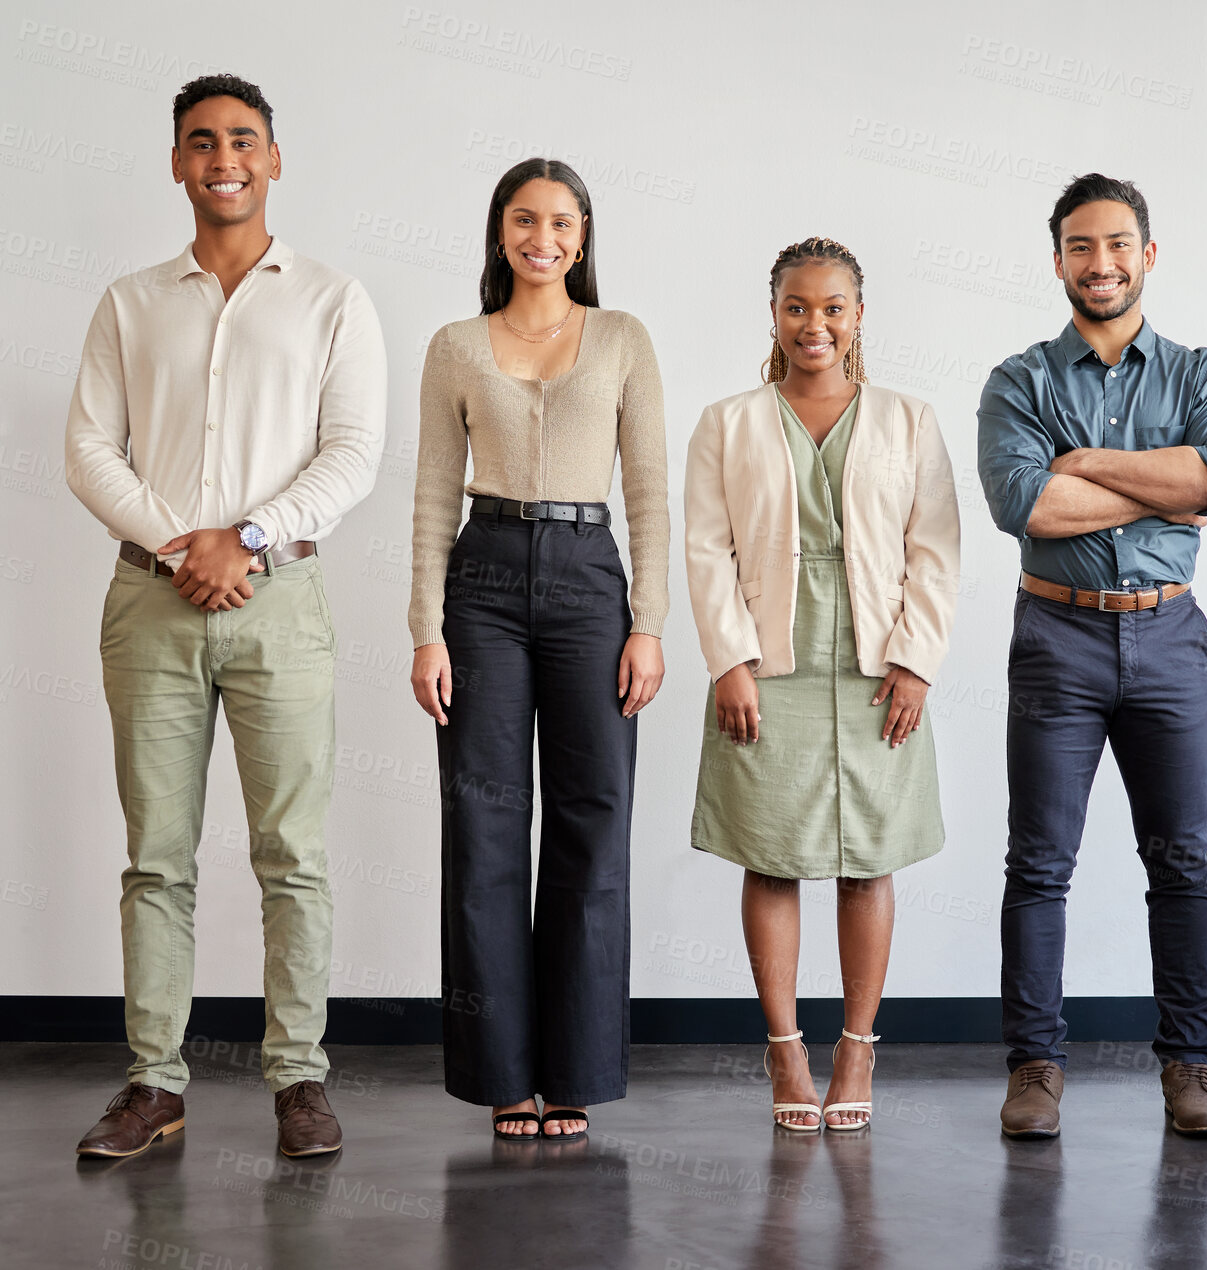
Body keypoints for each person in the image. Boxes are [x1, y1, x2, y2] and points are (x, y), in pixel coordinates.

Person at [65, 75, 387, 1159]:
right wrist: (179, 543)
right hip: (149, 605)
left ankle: (298, 1078)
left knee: (290, 853)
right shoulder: (129, 301)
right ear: (176, 163)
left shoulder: (332, 299)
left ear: (274, 158)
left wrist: (243, 536)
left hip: (280, 601)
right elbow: (89, 449)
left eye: (242, 141)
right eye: (200, 143)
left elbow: (352, 452)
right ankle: (153, 1083)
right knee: (156, 857)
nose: (223, 159)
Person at [976, 173, 1207, 1140]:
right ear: (1059, 260)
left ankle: (1190, 1069)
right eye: (1082, 247)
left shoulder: (1202, 372)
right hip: (1057, 634)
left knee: (1182, 861)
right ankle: (1035, 1070)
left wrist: (1085, 463)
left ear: (1148, 253)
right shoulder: (1019, 381)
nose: (1102, 263)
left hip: (1170, 633)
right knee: (1040, 865)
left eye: (1119, 244)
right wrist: (1163, 483)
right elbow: (1027, 507)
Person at [408, 159, 667, 1141]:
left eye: (561, 221)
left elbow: (647, 489)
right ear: (500, 230)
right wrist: (424, 628)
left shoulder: (621, 338)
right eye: (525, 219)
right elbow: (434, 494)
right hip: (480, 582)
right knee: (482, 826)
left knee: (592, 820)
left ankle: (576, 1070)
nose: (542, 237)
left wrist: (650, 623)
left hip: (588, 577)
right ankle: (502, 1075)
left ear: (583, 235)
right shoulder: (455, 346)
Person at [685, 237, 961, 1131]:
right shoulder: (727, 423)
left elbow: (936, 549)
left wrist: (917, 660)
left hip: (879, 662)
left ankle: (855, 1049)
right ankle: (784, 1056)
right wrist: (729, 659)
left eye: (834, 306)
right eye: (798, 306)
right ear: (774, 314)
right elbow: (704, 549)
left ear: (859, 315)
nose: (816, 324)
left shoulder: (908, 420)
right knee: (772, 855)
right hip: (771, 661)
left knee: (866, 857)